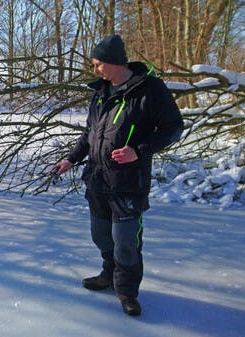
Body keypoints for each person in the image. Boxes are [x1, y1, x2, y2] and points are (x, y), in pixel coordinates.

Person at [50, 34, 183, 316]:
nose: (95, 69)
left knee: (126, 241)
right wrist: (71, 159)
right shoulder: (101, 93)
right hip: (97, 180)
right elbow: (90, 133)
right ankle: (108, 275)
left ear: (114, 62)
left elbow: (173, 127)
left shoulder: (150, 90)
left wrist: (139, 150)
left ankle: (127, 291)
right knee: (101, 236)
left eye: (99, 64)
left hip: (128, 183)